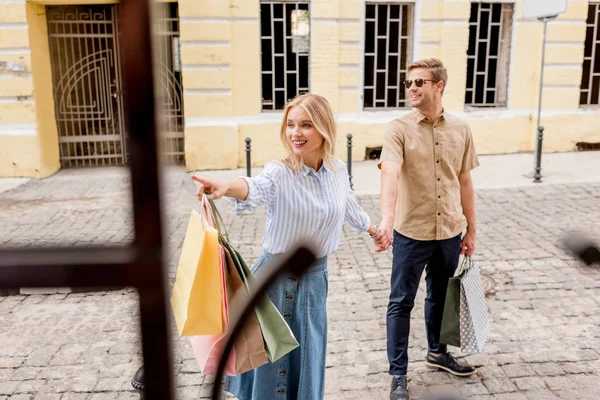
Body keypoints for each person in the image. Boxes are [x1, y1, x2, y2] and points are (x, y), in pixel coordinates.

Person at [192, 93, 378, 400]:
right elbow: (256, 187)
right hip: (273, 279)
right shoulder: (280, 172)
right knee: (270, 354)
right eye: (290, 125)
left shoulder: (337, 170)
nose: (295, 133)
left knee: (309, 351)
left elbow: (347, 203)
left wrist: (372, 229)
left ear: (323, 129)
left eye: (306, 125)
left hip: (315, 280)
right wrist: (225, 187)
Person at [373, 59, 480, 400]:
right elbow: (389, 173)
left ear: (439, 86)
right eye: (409, 83)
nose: (412, 88)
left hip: (449, 228)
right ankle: (398, 374)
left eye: (420, 82)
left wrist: (471, 229)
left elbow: (464, 180)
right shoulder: (398, 129)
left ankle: (438, 351)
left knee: (442, 296)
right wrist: (387, 219)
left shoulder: (461, 129)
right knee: (400, 302)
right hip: (411, 231)